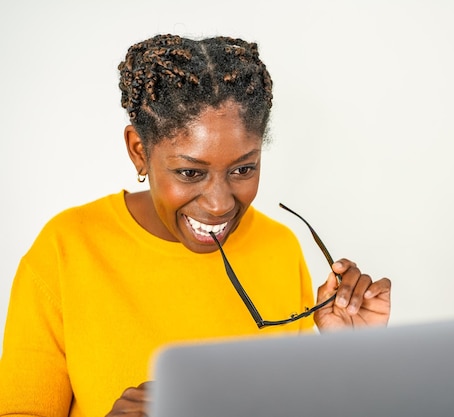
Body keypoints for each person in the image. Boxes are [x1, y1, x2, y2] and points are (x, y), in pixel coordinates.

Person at [0, 34, 391, 417]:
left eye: (244, 169)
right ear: (140, 151)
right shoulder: (66, 248)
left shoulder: (279, 247)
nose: (219, 204)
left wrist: (353, 360)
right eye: (190, 172)